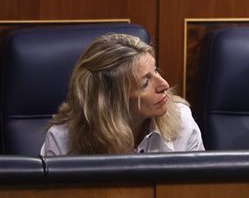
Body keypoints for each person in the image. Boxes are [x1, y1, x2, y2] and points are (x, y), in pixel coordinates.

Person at [41, 33, 204, 155]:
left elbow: (197, 194)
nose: (164, 85)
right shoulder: (62, 141)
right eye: (145, 82)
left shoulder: (182, 120)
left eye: (155, 71)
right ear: (110, 101)